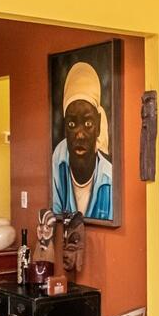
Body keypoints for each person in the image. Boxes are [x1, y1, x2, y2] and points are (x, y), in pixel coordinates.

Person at [52, 62, 114, 220]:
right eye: (72, 124)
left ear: (98, 125)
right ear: (65, 128)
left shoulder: (109, 180)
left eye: (88, 124)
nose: (79, 135)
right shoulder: (58, 161)